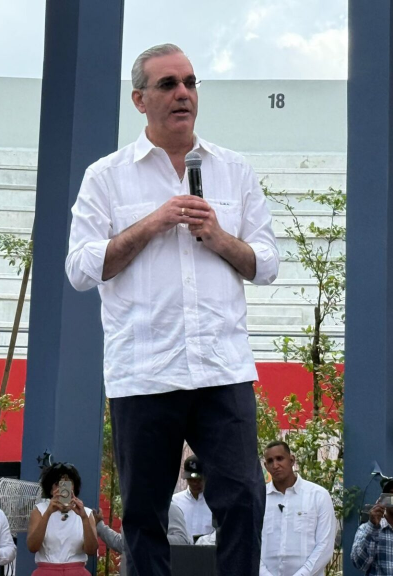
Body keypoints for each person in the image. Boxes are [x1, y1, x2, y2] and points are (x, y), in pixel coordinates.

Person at [65, 43, 279, 576]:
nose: (183, 93)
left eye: (189, 81)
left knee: (245, 499)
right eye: (167, 84)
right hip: (145, 370)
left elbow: (268, 264)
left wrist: (219, 237)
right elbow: (80, 269)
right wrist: (153, 223)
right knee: (143, 514)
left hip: (221, 367)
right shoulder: (107, 176)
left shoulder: (234, 169)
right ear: (139, 99)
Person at [260, 441, 337, 576]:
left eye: (280, 459)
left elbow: (325, 545)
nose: (275, 465)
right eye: (270, 461)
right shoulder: (259, 498)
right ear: (266, 466)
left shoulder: (318, 495)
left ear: (291, 460)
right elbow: (251, 543)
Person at [26, 462, 98, 575]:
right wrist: (48, 513)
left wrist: (84, 518)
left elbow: (91, 550)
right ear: (50, 490)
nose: (63, 489)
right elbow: (32, 547)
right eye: (58, 484)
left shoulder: (86, 513)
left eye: (68, 484)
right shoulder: (40, 511)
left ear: (74, 487)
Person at [94, 502, 192, 575]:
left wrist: (146, 538)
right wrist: (100, 527)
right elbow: (124, 544)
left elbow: (181, 541)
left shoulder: (168, 507)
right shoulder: (132, 509)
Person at [171, 455, 214, 539]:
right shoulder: (174, 502)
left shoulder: (215, 503)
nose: (195, 483)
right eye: (191, 480)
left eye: (199, 480)